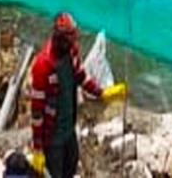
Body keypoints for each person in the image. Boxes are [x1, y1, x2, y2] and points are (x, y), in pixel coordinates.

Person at [26, 12, 112, 178]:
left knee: (71, 164)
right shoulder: (43, 66)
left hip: (69, 128)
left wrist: (100, 93)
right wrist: (38, 148)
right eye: (70, 39)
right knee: (55, 173)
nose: (73, 43)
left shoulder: (71, 51)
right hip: (52, 137)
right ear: (60, 38)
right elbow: (37, 112)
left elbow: (80, 75)